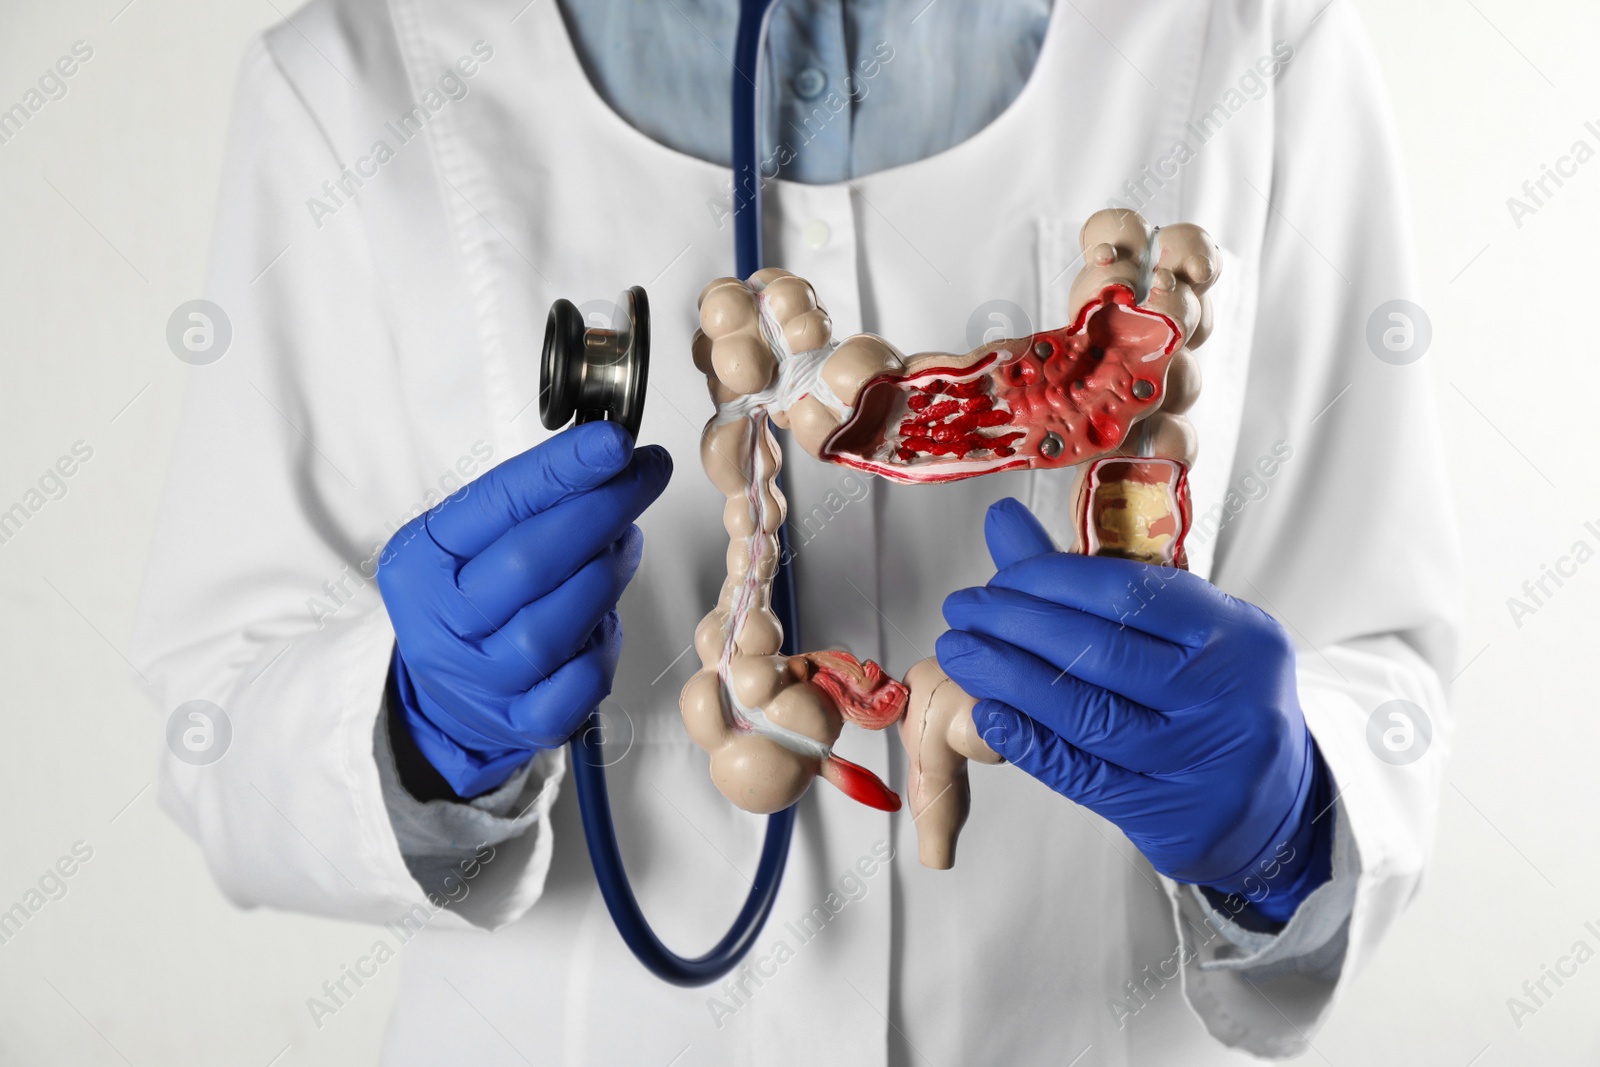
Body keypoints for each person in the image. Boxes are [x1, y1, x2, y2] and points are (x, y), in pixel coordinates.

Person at [132, 0, 1460, 1062]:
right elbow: (213, 715)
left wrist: (1283, 822)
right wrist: (416, 737)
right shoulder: (360, 76)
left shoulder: (1250, 41)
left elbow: (1377, 657)